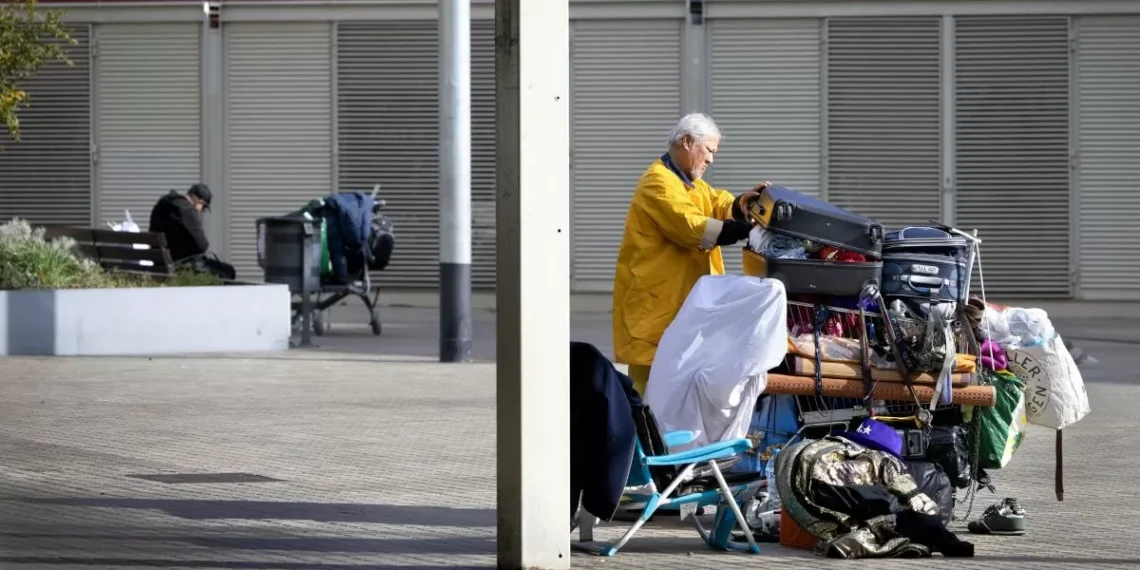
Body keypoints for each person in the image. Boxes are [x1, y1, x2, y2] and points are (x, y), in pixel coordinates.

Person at [612, 112, 769, 395]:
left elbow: (716, 201)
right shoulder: (658, 182)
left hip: (677, 300)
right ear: (687, 142)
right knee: (647, 390)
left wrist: (741, 203)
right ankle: (639, 439)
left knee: (674, 387)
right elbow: (690, 226)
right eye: (709, 150)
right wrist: (744, 228)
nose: (711, 159)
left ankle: (663, 438)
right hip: (657, 304)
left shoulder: (685, 181)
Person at [148, 183, 236, 280]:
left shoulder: (162, 204)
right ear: (199, 202)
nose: (201, 212)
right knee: (228, 271)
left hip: (159, 265)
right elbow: (202, 245)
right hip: (179, 266)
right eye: (204, 208)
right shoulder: (187, 210)